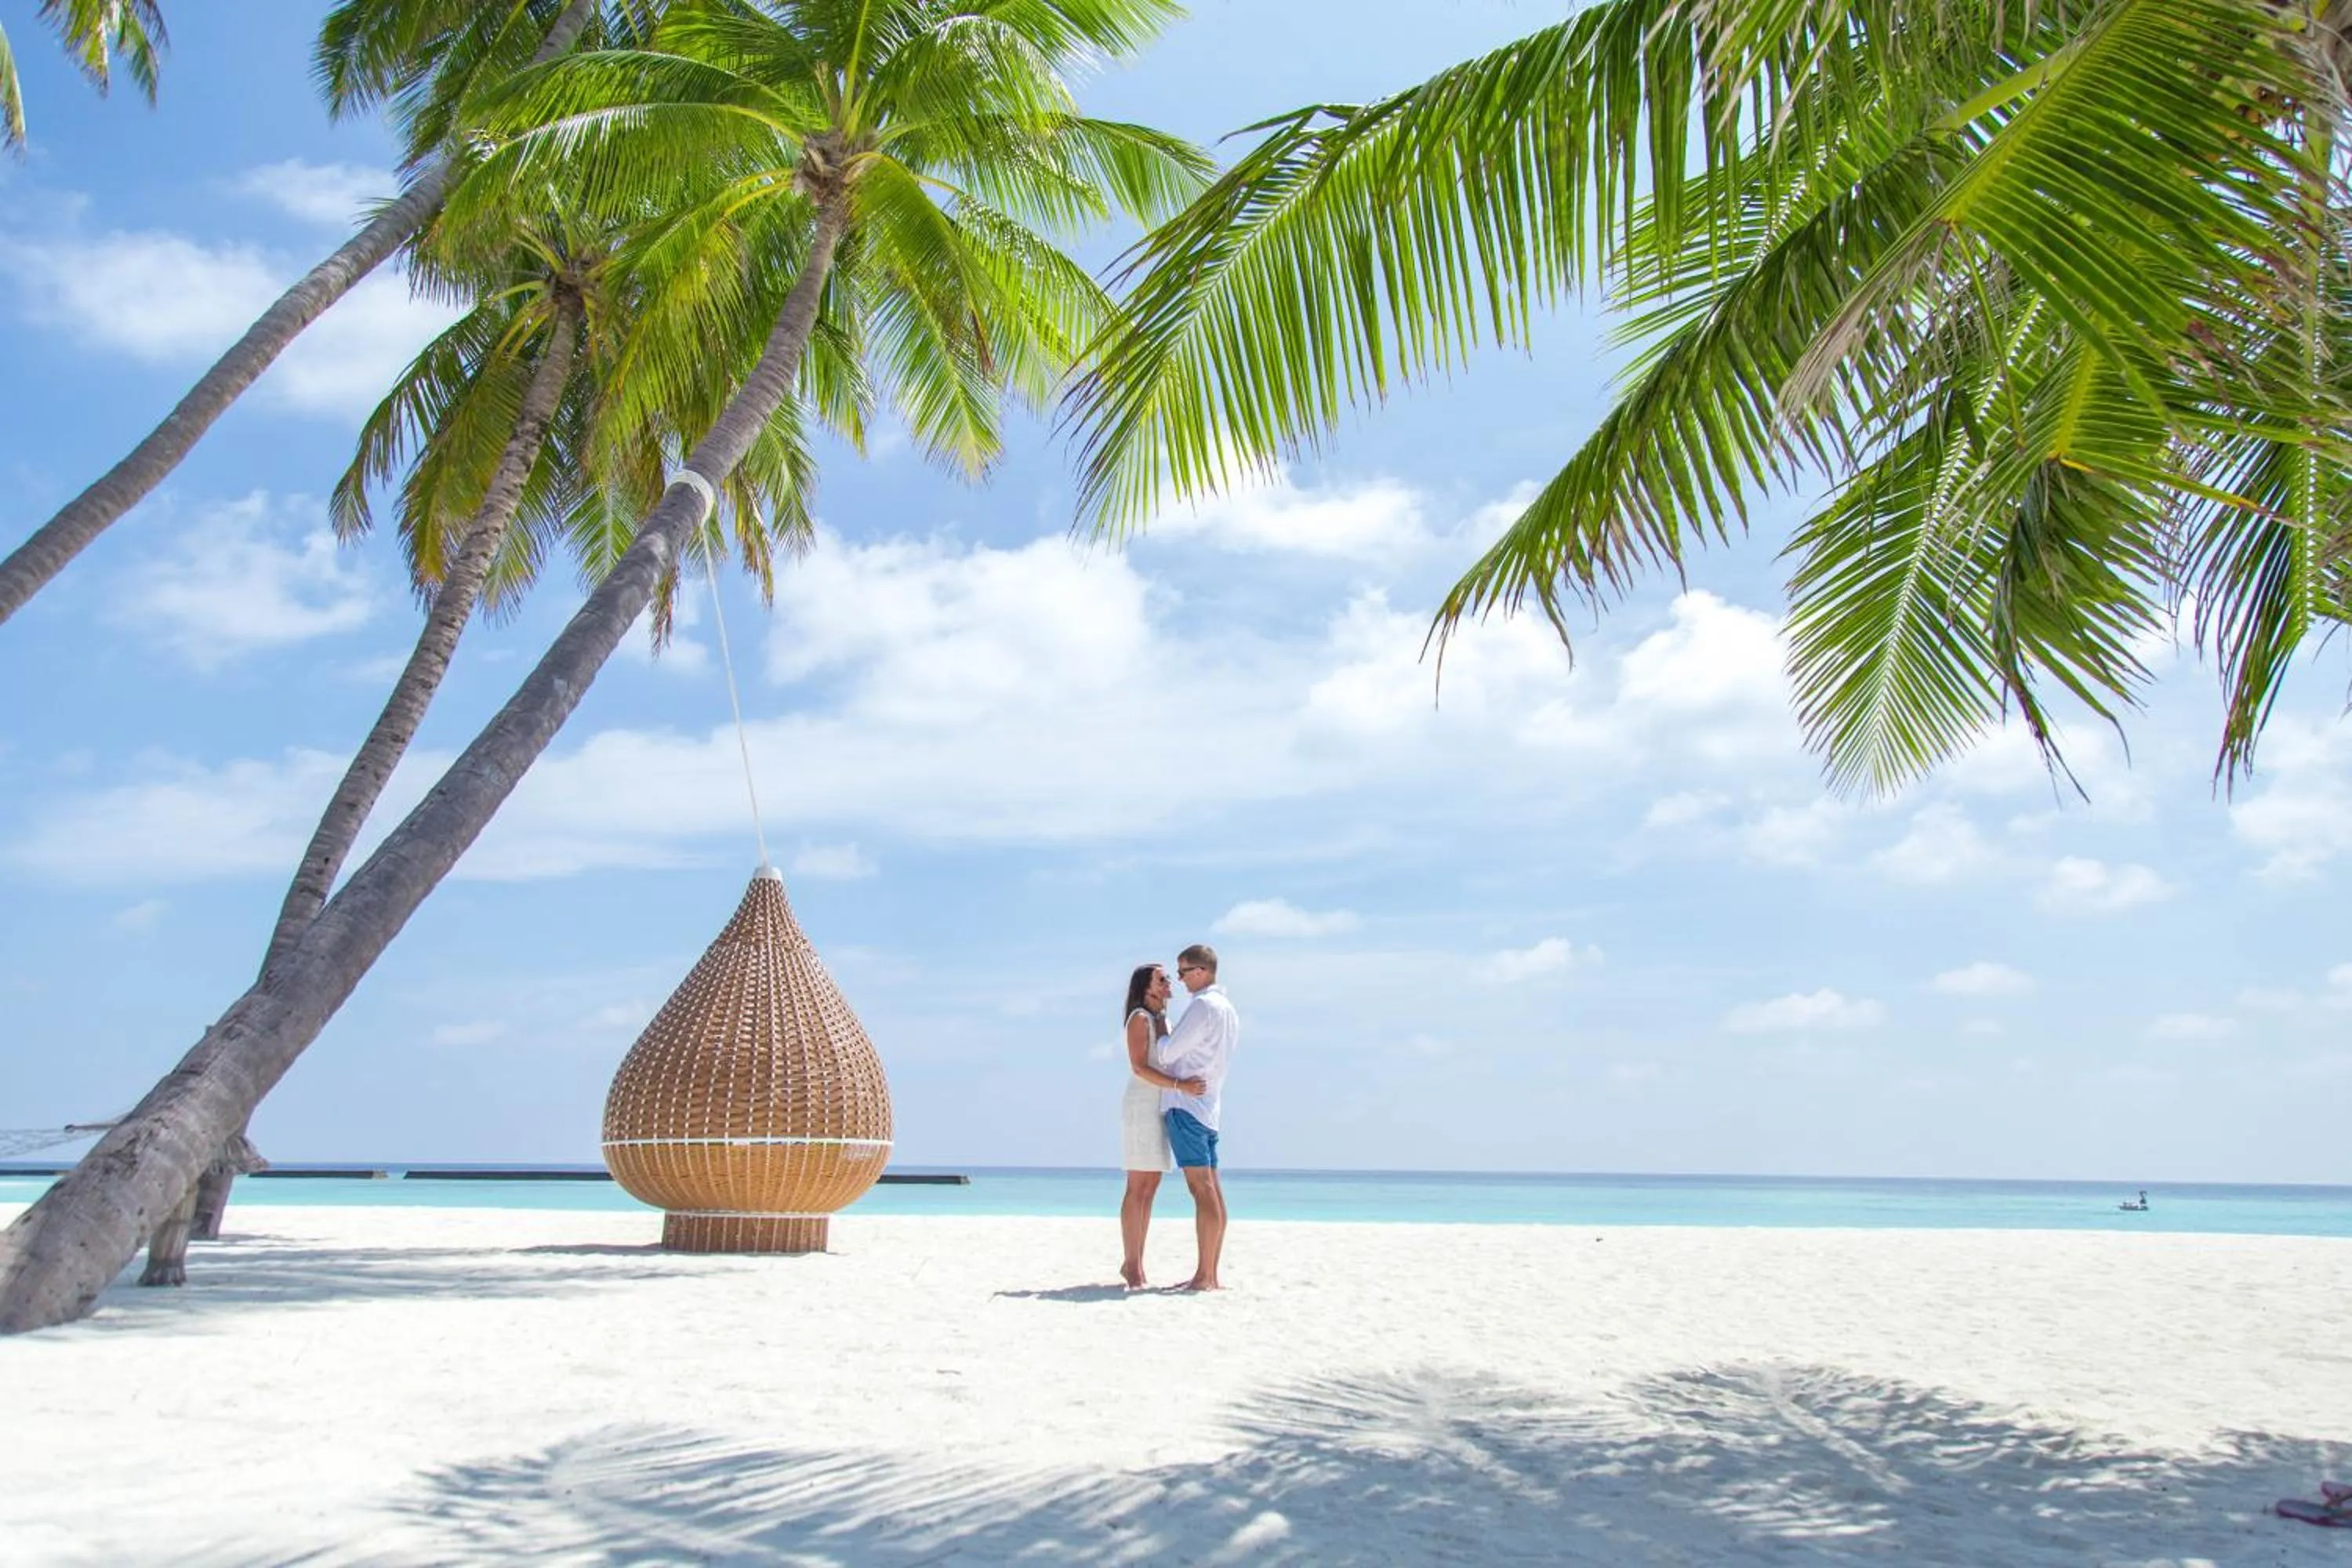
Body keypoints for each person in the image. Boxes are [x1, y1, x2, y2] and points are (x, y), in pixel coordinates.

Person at [1118, 962, 1204, 1289]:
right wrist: (1180, 1087)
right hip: (1142, 1106)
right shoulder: (1139, 1019)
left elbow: (1169, 1057)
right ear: (1147, 987)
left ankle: (1135, 1262)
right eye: (1162, 978)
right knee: (1137, 1187)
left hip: (1161, 1104)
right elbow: (1139, 1068)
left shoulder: (1161, 1018)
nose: (1169, 982)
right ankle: (1133, 1265)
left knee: (1150, 1188)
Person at [1159, 943, 1240, 1291]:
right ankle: (1209, 1273)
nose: (1179, 980)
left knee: (1202, 1190)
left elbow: (1167, 1053)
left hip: (1187, 1106)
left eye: (1183, 971)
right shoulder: (1228, 1009)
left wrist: (1162, 1024)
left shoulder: (1204, 1006)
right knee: (1212, 1192)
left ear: (1202, 971)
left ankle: (1205, 1275)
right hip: (1209, 1107)